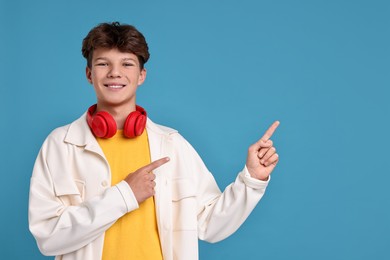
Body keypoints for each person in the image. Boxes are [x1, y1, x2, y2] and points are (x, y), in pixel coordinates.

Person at [28, 22, 280, 260]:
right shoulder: (60, 144)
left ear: (141, 75)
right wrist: (125, 195)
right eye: (103, 64)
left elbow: (210, 225)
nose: (115, 73)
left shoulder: (172, 145)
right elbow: (48, 237)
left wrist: (252, 180)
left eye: (127, 64)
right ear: (89, 74)